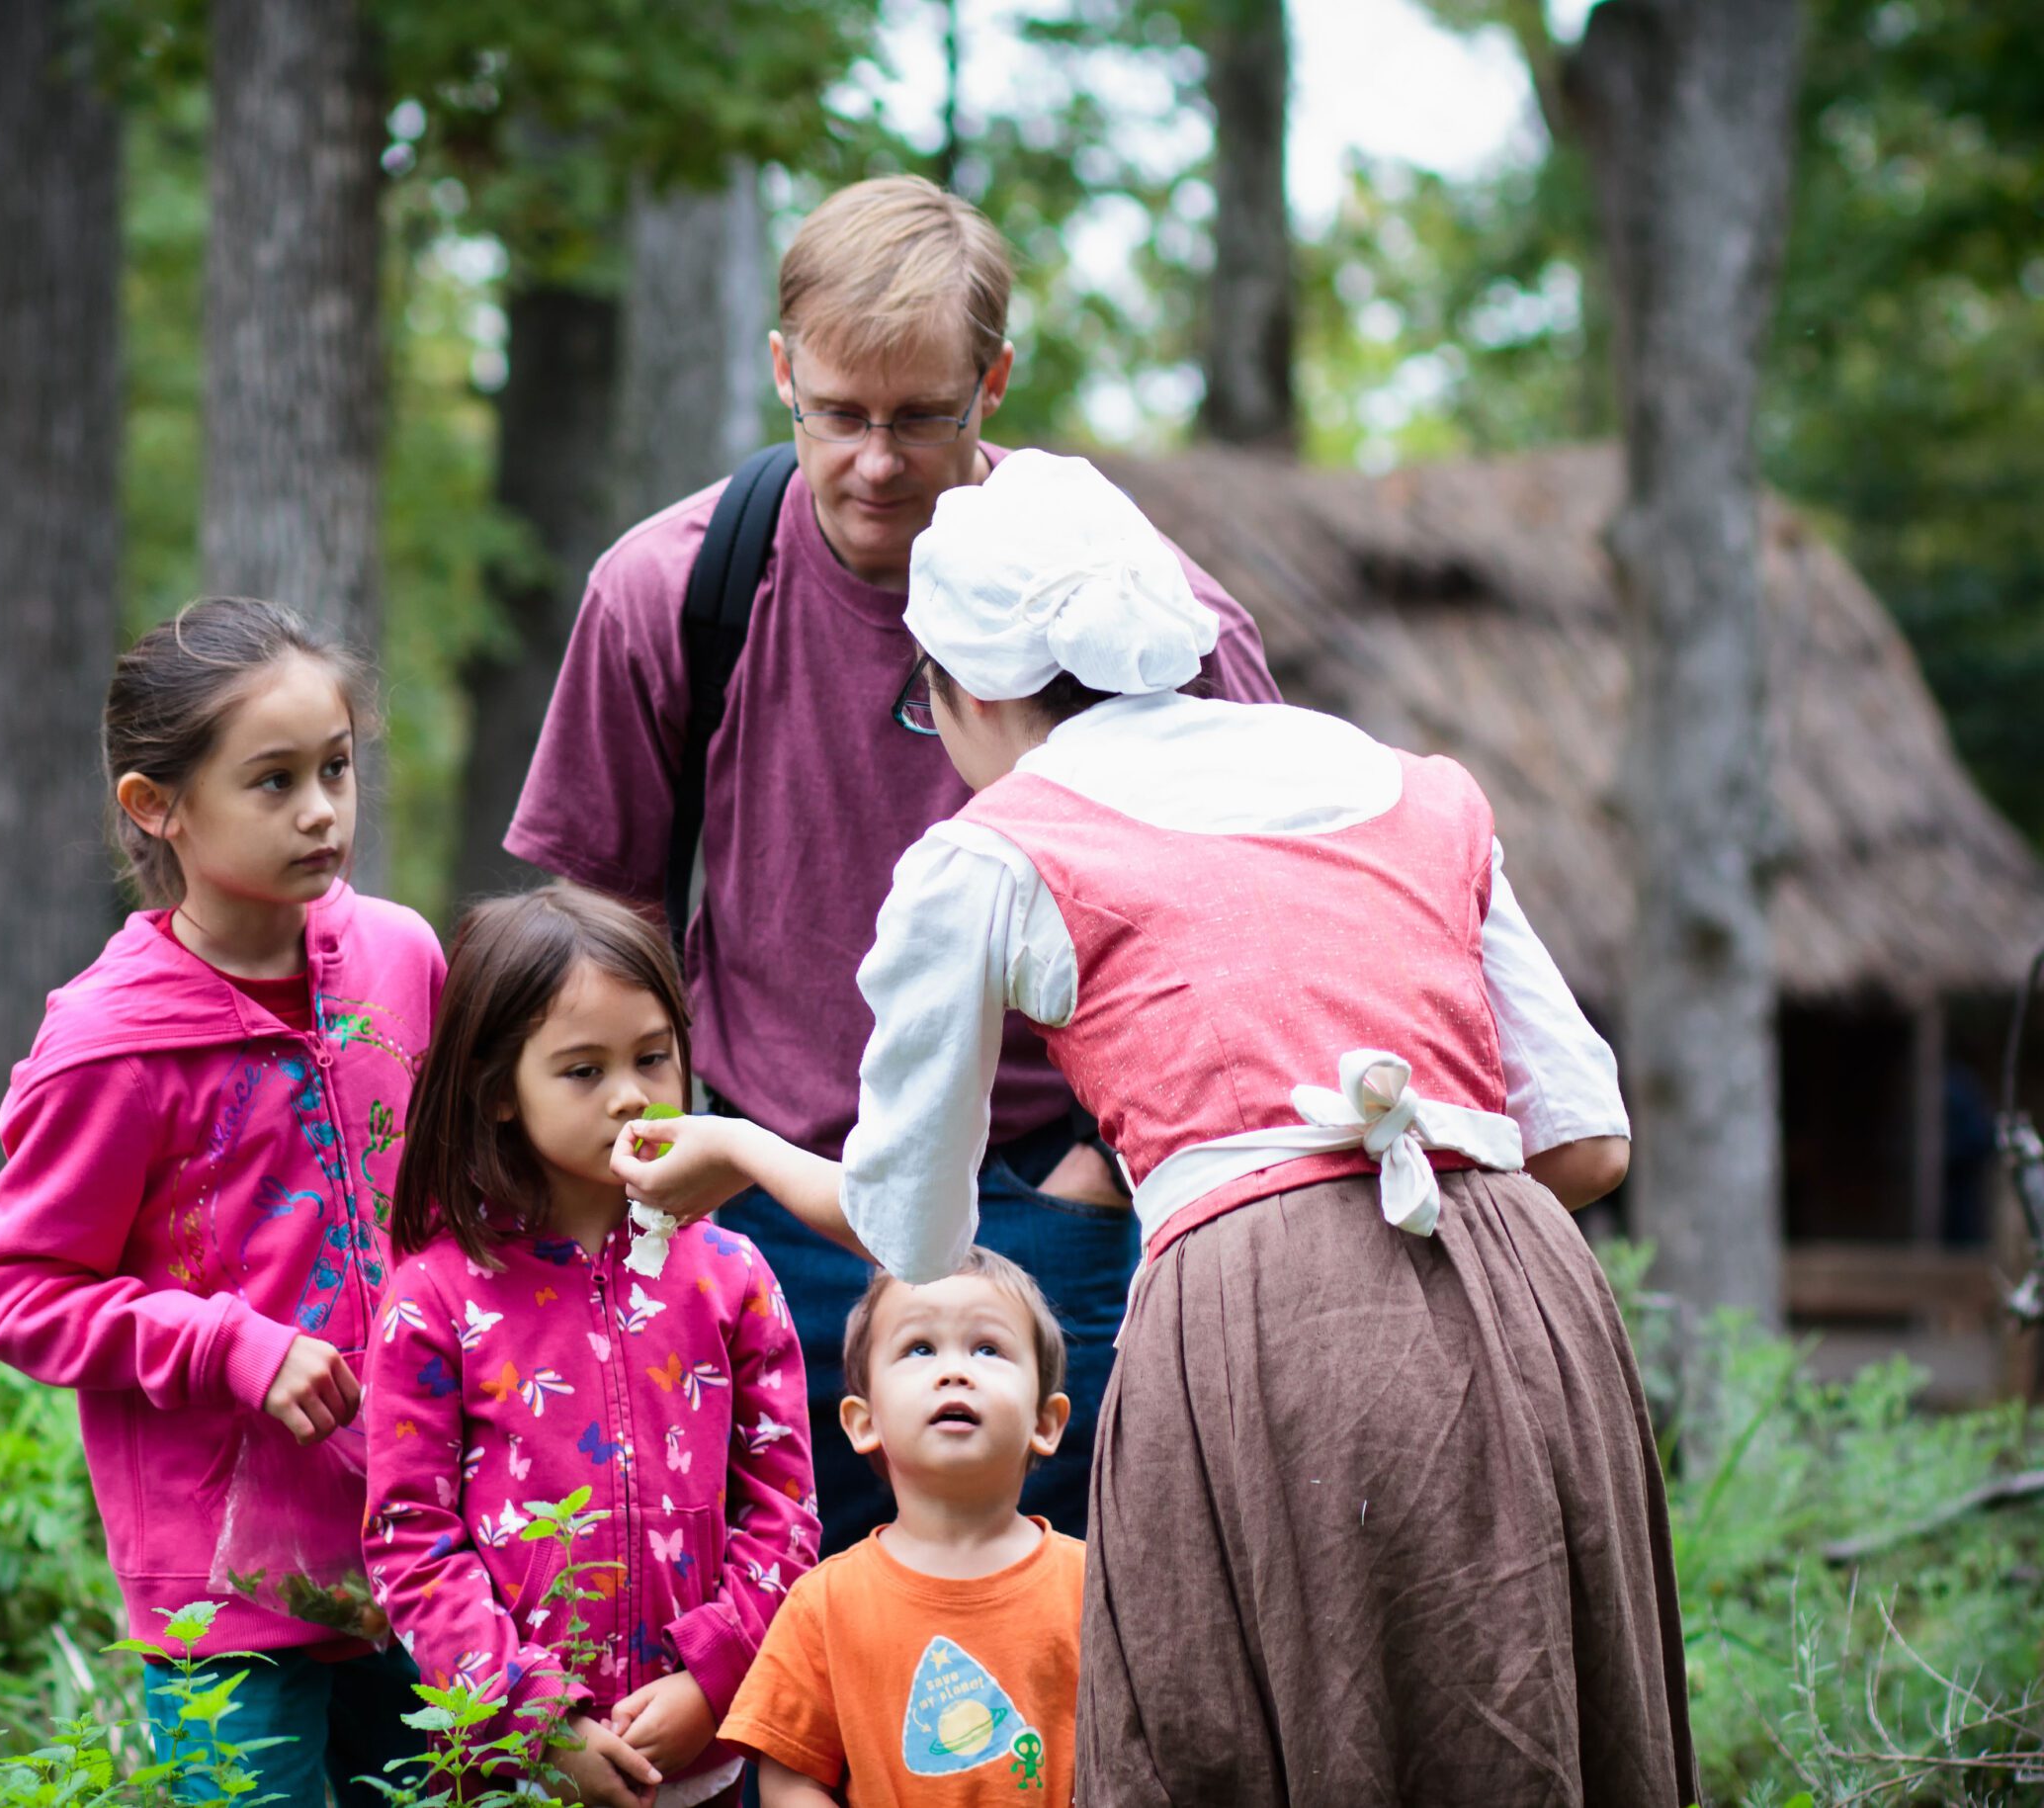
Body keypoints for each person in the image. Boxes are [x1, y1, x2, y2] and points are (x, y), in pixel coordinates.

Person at [617, 453, 1700, 1806]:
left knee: (1250, 1733)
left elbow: (917, 1229)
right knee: (1523, 1712)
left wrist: (740, 1154)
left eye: (926, 705)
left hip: (1260, 1320)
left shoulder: (994, 851)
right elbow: (1587, 1139)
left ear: (973, 687)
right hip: (1528, 1296)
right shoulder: (1410, 783)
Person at [505, 173, 1280, 1553]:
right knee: (759, 1641)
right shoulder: (677, 586)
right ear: (781, 373)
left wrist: (1097, 1170)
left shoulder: (1146, 620)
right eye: (840, 415)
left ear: (993, 383)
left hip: (1039, 1199)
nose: (874, 463)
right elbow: (592, 922)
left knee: (1025, 1646)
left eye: (921, 418)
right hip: (752, 1183)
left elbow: (1254, 906)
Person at [0, 597, 444, 1807]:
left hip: (424, 1547)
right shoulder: (105, 1045)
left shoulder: (400, 959)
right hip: (224, 1595)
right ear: (156, 806)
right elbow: (22, 1297)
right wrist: (230, 1342)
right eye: (272, 781)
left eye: (336, 767)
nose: (323, 810)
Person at [364, 886, 819, 1808]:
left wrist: (715, 1676)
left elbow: (785, 1506)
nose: (630, 1094)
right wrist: (532, 1718)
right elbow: (411, 1539)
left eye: (653, 1056)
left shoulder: (731, 1274)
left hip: (702, 1762)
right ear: (498, 1094)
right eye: (582, 1069)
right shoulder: (434, 1298)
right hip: (511, 1776)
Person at [721, 1252, 1085, 1807]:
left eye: (988, 1348)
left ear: (1045, 1421)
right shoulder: (824, 1604)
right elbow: (790, 1776)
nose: (954, 1370)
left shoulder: (1097, 1588)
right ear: (865, 1423)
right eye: (920, 1348)